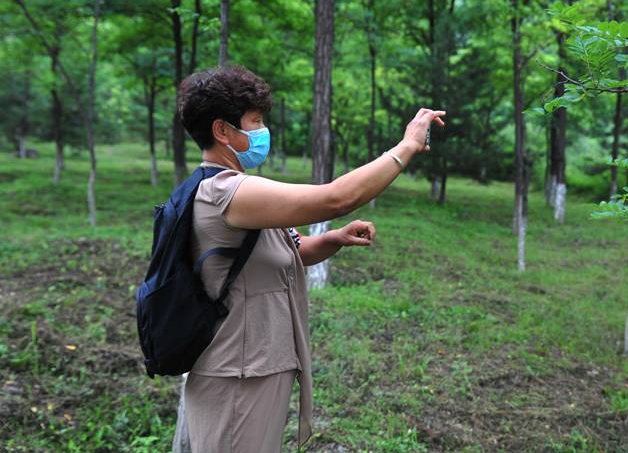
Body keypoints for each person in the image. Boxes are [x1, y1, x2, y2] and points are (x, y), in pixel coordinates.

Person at [176, 64, 445, 452]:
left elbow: (290, 251)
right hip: (238, 375)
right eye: (255, 121)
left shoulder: (242, 194)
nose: (261, 131)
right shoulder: (226, 192)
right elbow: (337, 197)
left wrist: (334, 239)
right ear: (222, 130)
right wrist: (405, 148)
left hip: (257, 367)